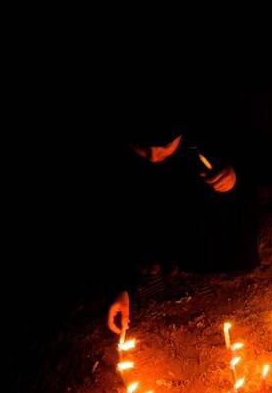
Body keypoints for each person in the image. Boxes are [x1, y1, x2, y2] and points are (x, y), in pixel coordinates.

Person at [105, 126, 258, 335]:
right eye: (142, 147)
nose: (153, 156)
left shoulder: (201, 147)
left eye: (164, 146)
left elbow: (249, 170)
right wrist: (120, 288)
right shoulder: (120, 166)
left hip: (196, 226)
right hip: (150, 229)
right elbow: (115, 229)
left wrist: (232, 176)